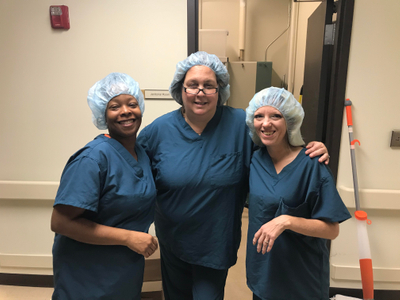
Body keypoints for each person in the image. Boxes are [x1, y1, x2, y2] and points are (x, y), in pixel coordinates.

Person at [137, 51, 330, 300]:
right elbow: (132, 169)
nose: (200, 92)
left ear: (220, 90)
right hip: (173, 241)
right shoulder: (158, 131)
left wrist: (309, 148)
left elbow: (278, 142)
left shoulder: (241, 124)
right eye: (192, 85)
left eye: (209, 86)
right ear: (180, 90)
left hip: (215, 243)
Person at [51, 73, 158, 300]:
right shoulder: (92, 159)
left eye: (132, 104)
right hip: (87, 275)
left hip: (123, 272)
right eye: (114, 106)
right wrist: (129, 238)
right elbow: (60, 222)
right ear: (103, 114)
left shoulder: (141, 154)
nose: (126, 111)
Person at [245, 87, 351, 300]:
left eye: (276, 115)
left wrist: (286, 221)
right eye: (259, 116)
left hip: (302, 279)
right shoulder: (254, 160)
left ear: (290, 121)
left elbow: (331, 230)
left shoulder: (313, 164)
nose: (266, 123)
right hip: (264, 275)